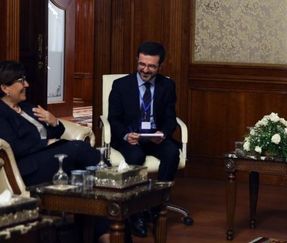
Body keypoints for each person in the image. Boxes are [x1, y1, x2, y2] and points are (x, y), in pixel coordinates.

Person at [0, 60, 109, 243]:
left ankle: (103, 231)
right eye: (21, 81)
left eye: (25, 79)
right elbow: (15, 147)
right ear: (5, 88)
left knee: (89, 180)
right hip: (28, 168)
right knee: (78, 148)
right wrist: (46, 142)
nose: (26, 84)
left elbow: (54, 132)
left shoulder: (27, 107)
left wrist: (54, 122)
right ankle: (115, 179)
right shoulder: (1, 113)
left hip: (48, 159)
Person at [108, 41, 180, 236]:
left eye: (151, 66)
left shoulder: (167, 85)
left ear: (160, 66)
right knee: (135, 157)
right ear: (137, 60)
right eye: (142, 64)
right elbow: (113, 119)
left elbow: (170, 118)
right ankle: (135, 213)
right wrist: (125, 134)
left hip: (154, 137)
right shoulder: (121, 85)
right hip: (129, 137)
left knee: (172, 153)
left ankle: (157, 208)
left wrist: (163, 134)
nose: (145, 70)